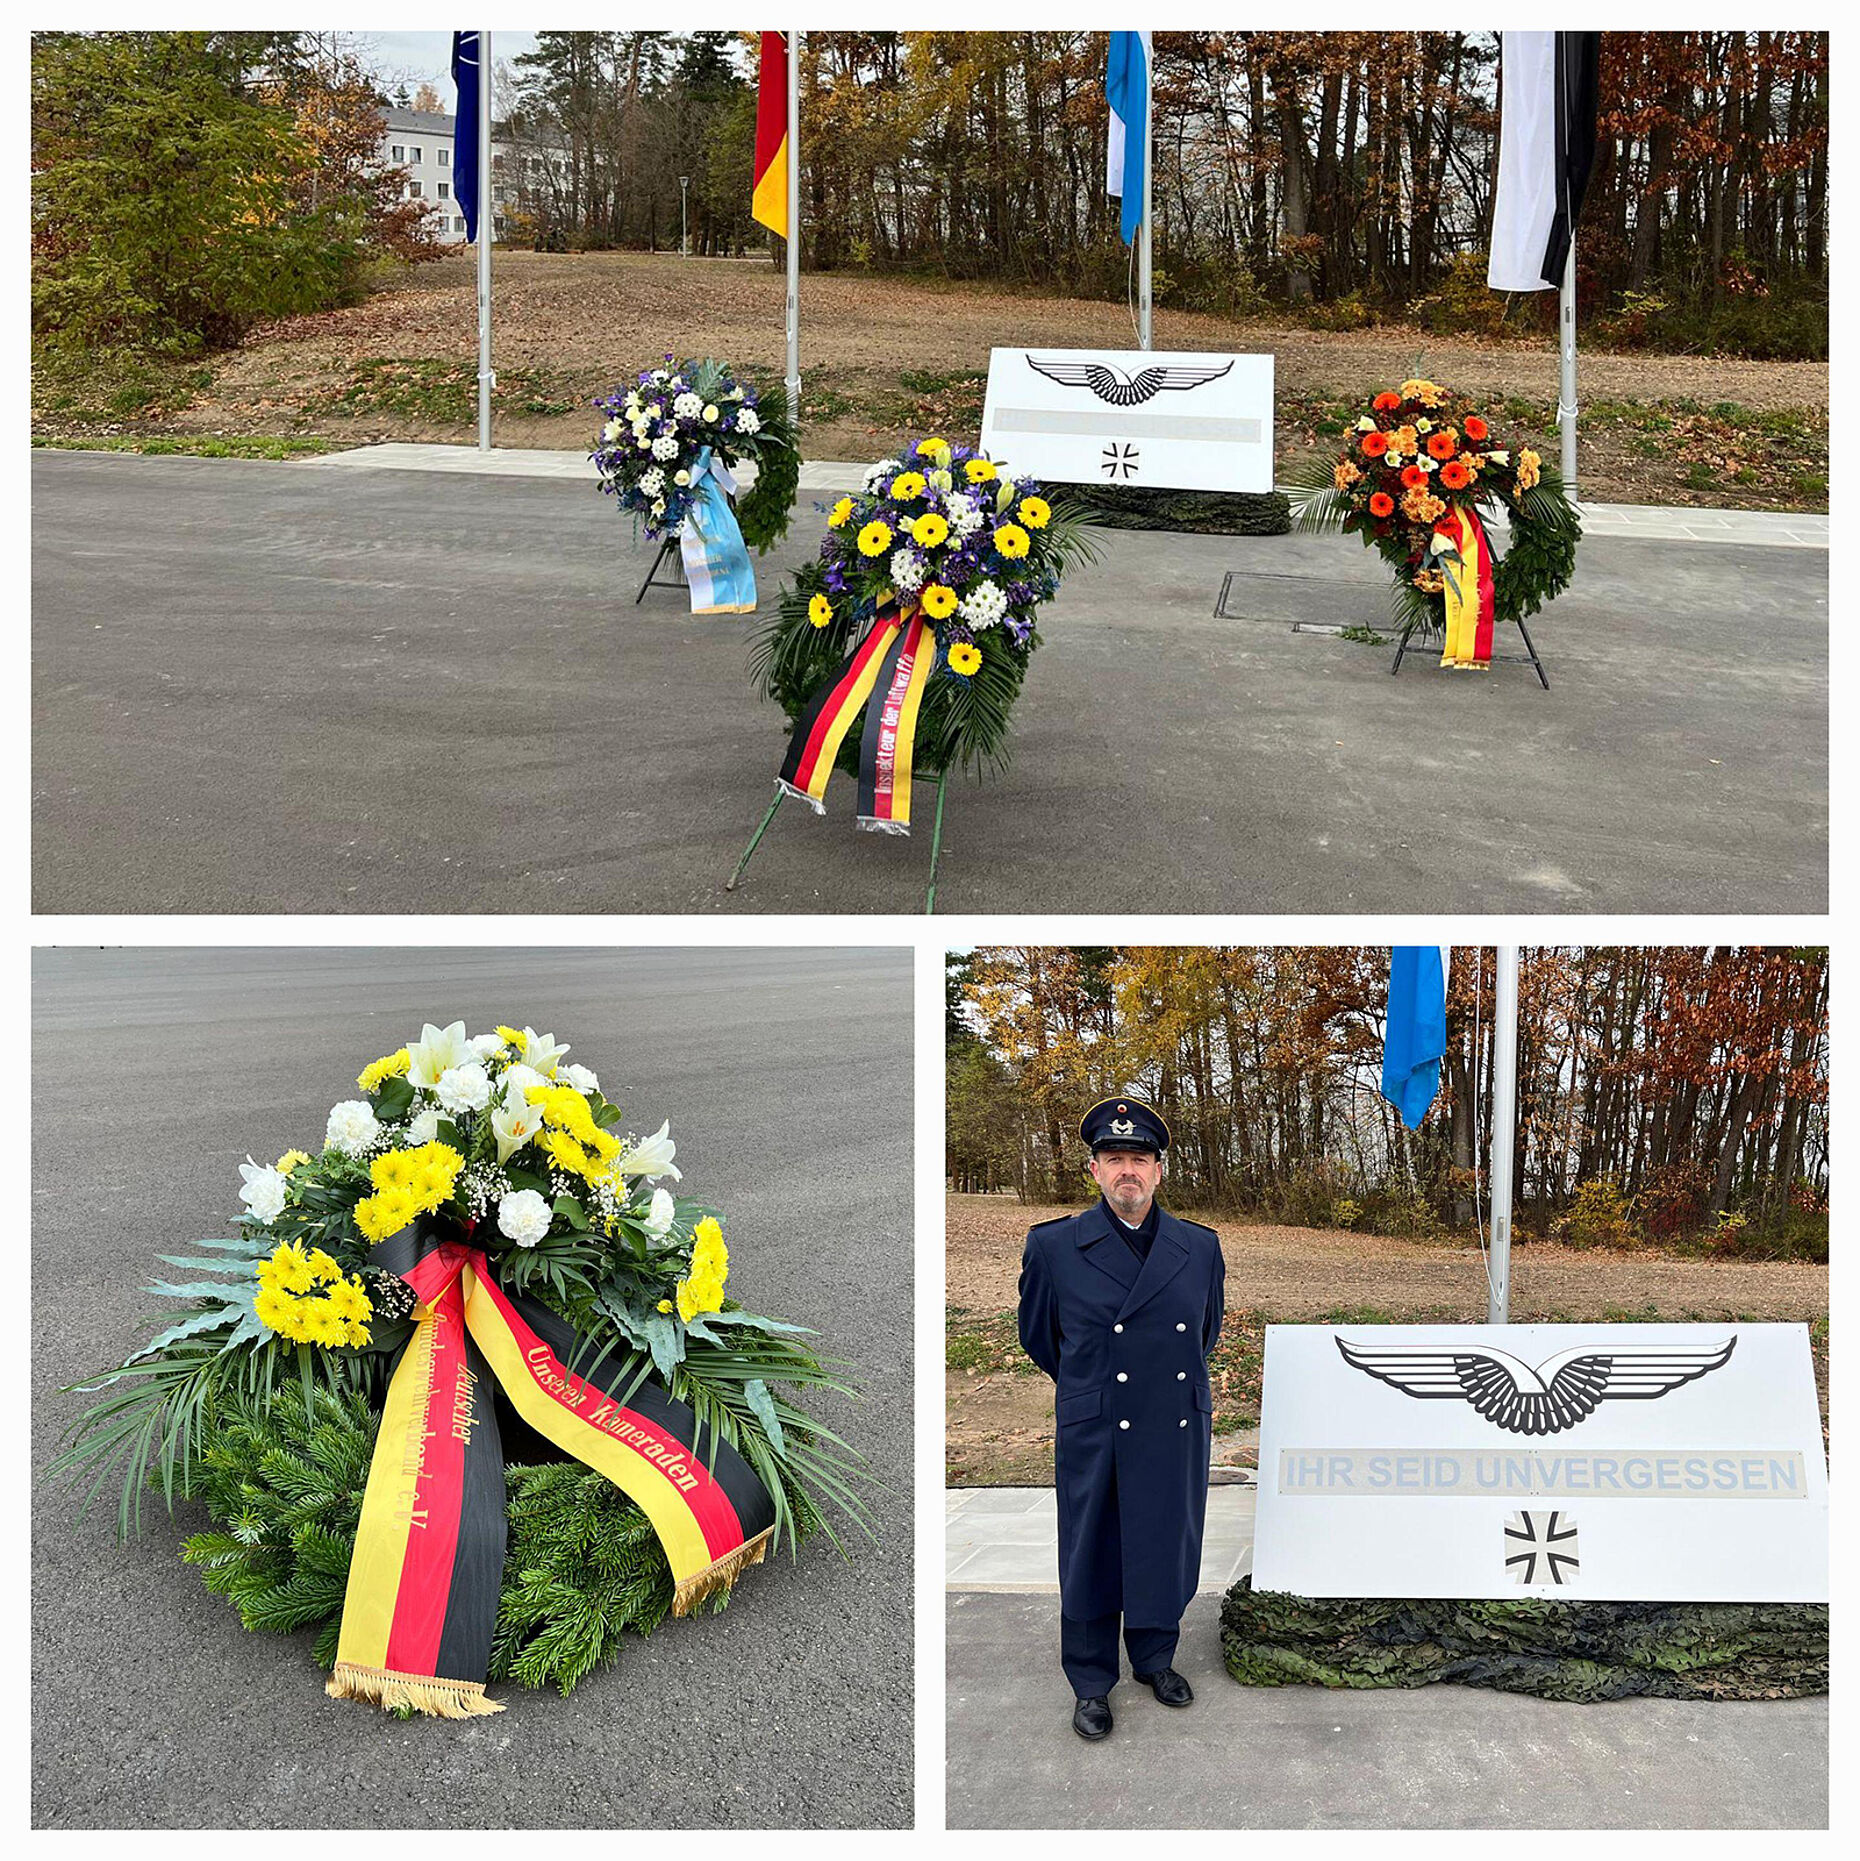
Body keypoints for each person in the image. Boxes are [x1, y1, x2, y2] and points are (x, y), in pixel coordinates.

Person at [1016, 1095, 1225, 1741]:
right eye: (1114, 1158)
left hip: (1173, 1418)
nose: (1127, 1169)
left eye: (1139, 1158)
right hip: (1098, 1423)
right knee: (1092, 1552)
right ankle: (1090, 1680)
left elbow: (1205, 1334)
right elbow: (1040, 1337)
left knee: (1166, 1541)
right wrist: (1093, 1384)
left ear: (1159, 1170)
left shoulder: (1200, 1246)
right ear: (1094, 1170)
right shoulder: (1055, 1245)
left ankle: (1156, 1658)